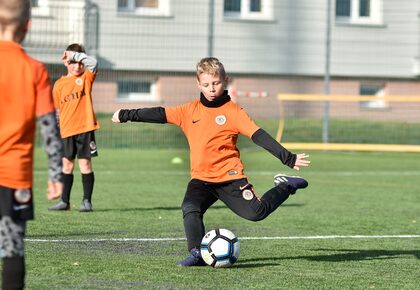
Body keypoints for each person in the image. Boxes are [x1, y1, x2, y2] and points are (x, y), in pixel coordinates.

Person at [111, 57, 310, 266]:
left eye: (216, 83)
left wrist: (288, 158)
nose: (211, 89)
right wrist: (126, 114)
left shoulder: (234, 112)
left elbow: (258, 135)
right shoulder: (189, 110)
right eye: (206, 84)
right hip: (202, 179)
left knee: (256, 213)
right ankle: (197, 253)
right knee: (190, 207)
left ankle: (286, 185)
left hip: (230, 178)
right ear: (198, 84)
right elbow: (160, 114)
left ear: (225, 81)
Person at [0, 0, 64, 288]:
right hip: (13, 177)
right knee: (12, 249)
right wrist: (55, 175)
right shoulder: (34, 69)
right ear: (28, 25)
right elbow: (49, 128)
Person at [48, 43, 99, 212]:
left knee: (85, 165)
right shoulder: (59, 85)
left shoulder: (86, 78)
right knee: (67, 166)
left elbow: (93, 63)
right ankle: (65, 202)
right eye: (72, 62)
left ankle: (86, 202)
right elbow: (56, 111)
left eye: (79, 62)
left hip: (85, 129)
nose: (77, 66)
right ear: (65, 63)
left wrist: (74, 55)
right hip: (66, 131)